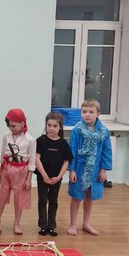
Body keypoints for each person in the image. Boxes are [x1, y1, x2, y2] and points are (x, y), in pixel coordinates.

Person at [67, 99, 112, 236]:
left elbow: (106, 151)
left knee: (89, 196)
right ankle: (72, 224)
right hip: (79, 168)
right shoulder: (77, 131)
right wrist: (72, 170)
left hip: (95, 169)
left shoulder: (104, 131)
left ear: (98, 114)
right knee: (76, 196)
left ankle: (86, 223)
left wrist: (104, 169)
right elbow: (72, 150)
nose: (87, 114)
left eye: (91, 112)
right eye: (84, 111)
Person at [0, 108, 36, 235]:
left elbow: (32, 161)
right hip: (7, 168)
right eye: (9, 126)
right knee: (2, 195)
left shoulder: (30, 140)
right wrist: (0, 170)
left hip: (22, 170)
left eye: (13, 126)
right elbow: (3, 153)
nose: (11, 128)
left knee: (19, 199)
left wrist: (29, 179)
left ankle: (17, 223)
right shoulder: (6, 136)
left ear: (22, 124)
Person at [35, 111, 73, 237]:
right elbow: (36, 159)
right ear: (46, 125)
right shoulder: (41, 141)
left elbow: (66, 162)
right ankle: (43, 225)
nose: (51, 128)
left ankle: (51, 226)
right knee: (42, 200)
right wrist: (44, 175)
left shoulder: (63, 143)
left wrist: (59, 177)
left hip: (56, 178)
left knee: (53, 201)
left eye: (55, 126)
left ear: (60, 127)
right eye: (49, 125)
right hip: (42, 177)